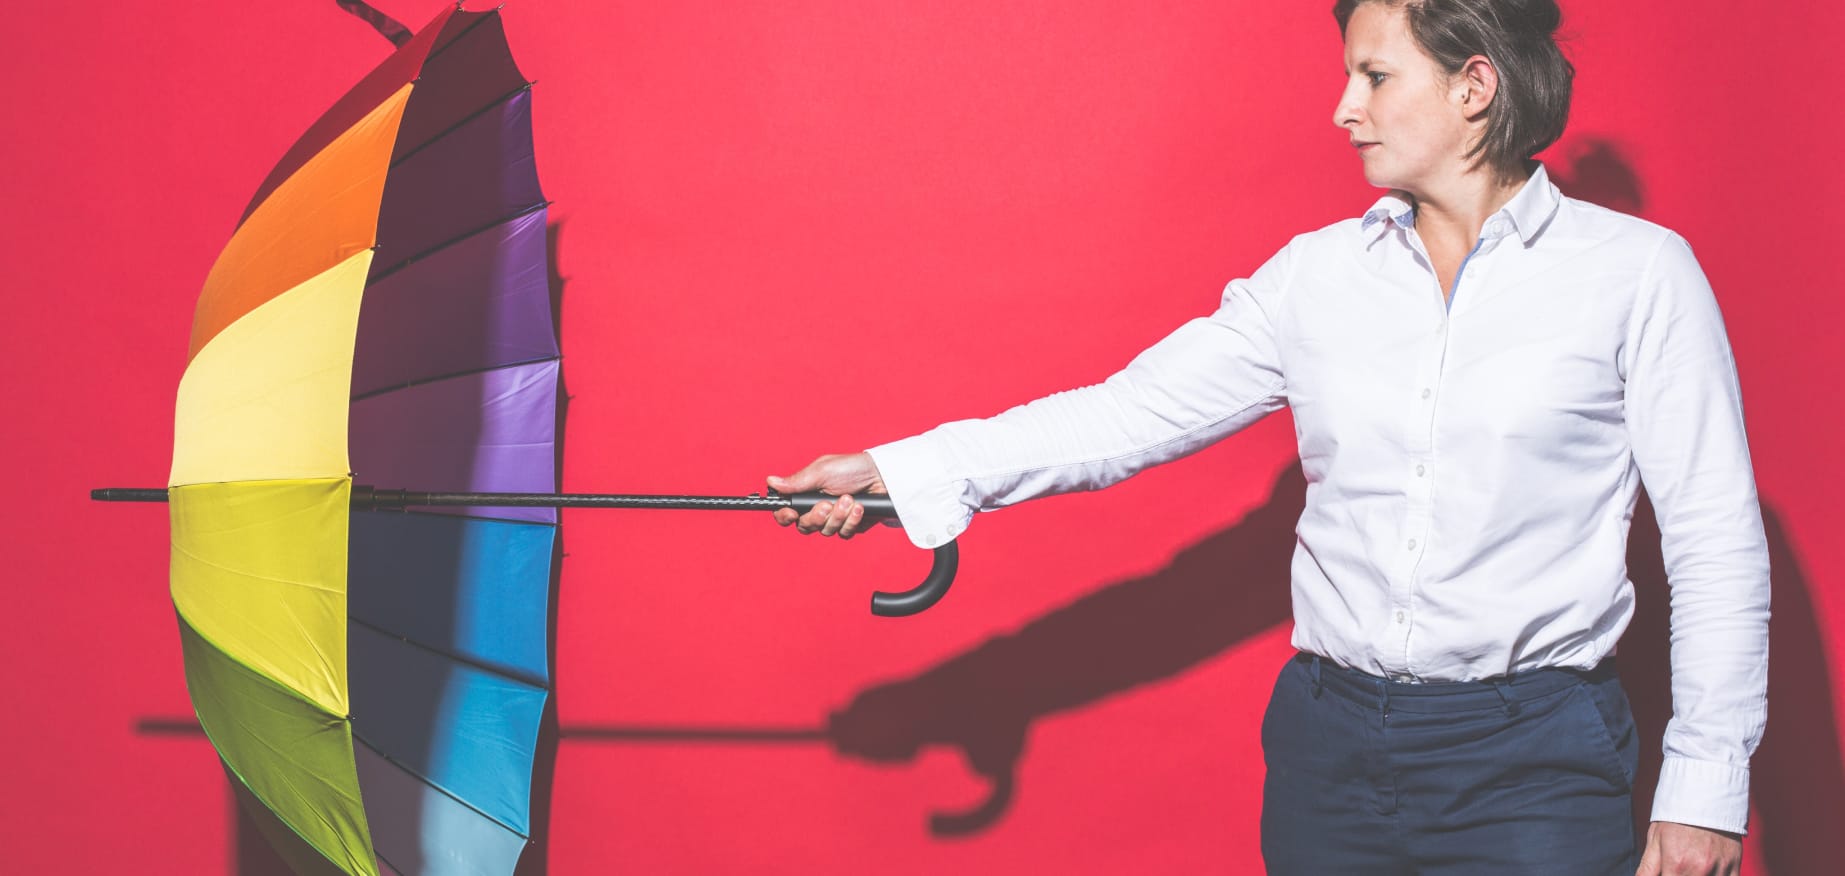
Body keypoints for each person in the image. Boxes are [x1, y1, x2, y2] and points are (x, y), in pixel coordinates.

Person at [769, 1, 1768, 873]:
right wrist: (905, 471)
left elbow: (1714, 539)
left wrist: (1705, 789)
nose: (1344, 106)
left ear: (1475, 87)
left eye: (1375, 76)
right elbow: (1128, 412)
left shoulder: (1639, 277)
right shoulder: (1314, 277)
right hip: (1328, 755)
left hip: (1534, 764)